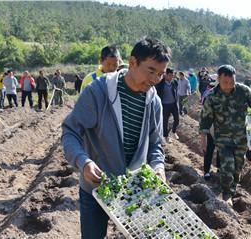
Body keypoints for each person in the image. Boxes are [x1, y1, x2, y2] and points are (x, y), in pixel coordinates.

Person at [62, 37, 170, 238]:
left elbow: (155, 143)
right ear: (132, 62)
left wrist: (158, 166)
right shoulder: (98, 92)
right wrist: (83, 162)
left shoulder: (153, 101)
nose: (155, 79)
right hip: (96, 186)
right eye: (151, 71)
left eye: (161, 74)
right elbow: (71, 132)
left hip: (134, 189)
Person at [199, 65, 251, 205]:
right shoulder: (212, 97)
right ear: (218, 79)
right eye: (225, 82)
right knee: (227, 164)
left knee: (237, 167)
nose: (229, 86)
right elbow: (205, 118)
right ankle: (226, 194)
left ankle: (232, 188)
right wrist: (203, 139)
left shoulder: (243, 91)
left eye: (232, 82)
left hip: (241, 137)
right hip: (222, 137)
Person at [156, 68, 179, 143]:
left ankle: (173, 132)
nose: (171, 77)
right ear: (165, 75)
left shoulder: (174, 82)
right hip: (164, 105)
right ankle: (166, 136)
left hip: (173, 104)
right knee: (165, 121)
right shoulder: (160, 83)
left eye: (172, 75)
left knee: (177, 119)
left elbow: (176, 92)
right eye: (170, 75)